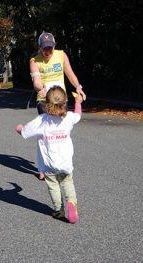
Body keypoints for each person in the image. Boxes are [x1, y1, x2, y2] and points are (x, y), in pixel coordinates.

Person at [15, 86, 83, 224]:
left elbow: (25, 132)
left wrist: (19, 128)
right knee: (67, 182)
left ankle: (59, 210)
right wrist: (78, 102)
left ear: (47, 104)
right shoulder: (68, 118)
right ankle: (71, 202)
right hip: (65, 161)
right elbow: (78, 115)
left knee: (53, 185)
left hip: (48, 163)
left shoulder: (41, 120)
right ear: (65, 102)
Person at [30, 32, 86, 180]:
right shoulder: (34, 60)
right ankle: (43, 167)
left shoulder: (61, 55)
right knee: (44, 134)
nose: (48, 52)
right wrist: (39, 87)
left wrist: (78, 87)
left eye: (50, 48)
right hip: (44, 100)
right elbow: (36, 80)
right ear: (40, 48)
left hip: (60, 100)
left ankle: (60, 163)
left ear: (54, 46)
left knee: (61, 132)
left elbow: (70, 74)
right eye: (44, 48)